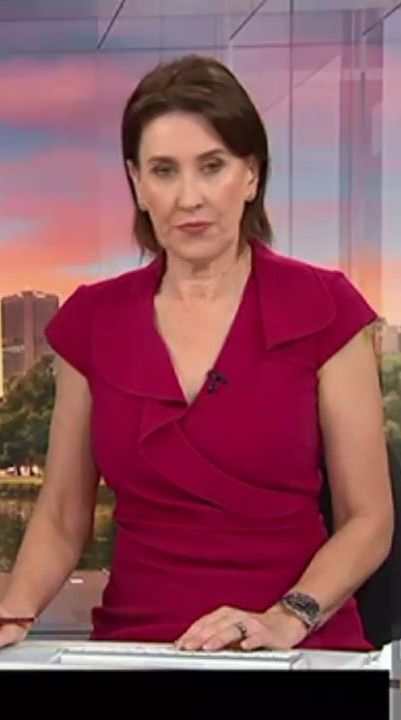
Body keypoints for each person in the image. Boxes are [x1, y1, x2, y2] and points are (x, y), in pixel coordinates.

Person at [0, 54, 393, 653]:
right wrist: (14, 612)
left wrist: (286, 618)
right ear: (137, 183)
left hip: (295, 647)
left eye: (213, 166)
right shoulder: (94, 321)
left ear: (251, 175)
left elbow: (369, 519)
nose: (189, 198)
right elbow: (59, 515)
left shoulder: (325, 307)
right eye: (164, 171)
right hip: (137, 648)